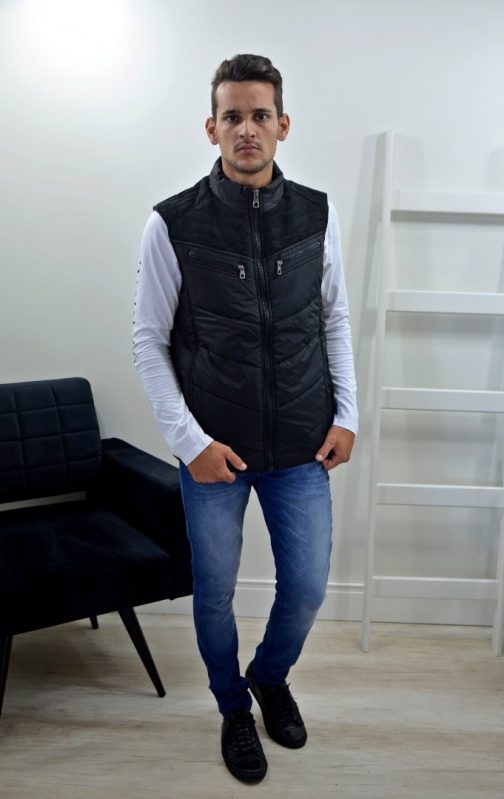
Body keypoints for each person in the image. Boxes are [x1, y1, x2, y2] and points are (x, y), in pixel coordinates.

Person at [133, 54, 358, 784]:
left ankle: (269, 676)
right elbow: (147, 340)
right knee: (217, 592)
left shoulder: (317, 214)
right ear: (212, 128)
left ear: (283, 124)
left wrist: (348, 415)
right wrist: (189, 442)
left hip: (301, 444)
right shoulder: (172, 223)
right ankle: (233, 707)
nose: (247, 129)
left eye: (260, 115)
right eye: (232, 116)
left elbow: (334, 320)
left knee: (308, 586)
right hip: (213, 453)